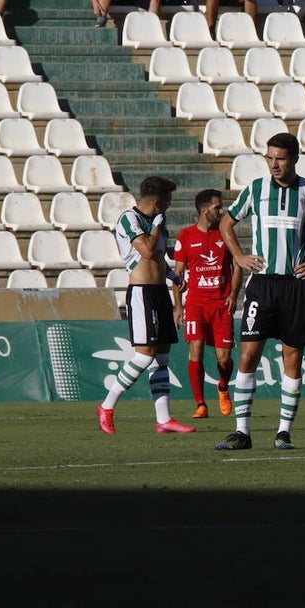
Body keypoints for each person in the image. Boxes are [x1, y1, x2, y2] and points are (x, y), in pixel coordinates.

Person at [216, 132, 305, 451]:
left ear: (294, 159)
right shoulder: (256, 189)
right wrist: (240, 257)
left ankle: (284, 431)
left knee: (292, 358)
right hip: (262, 284)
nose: (274, 164)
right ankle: (242, 432)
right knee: (248, 356)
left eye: (280, 158)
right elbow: (226, 224)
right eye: (270, 157)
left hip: (295, 285)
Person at [97, 177, 195, 436]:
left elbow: (159, 257)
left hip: (159, 291)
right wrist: (156, 227)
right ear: (157, 201)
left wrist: (173, 276)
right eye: (167, 202)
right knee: (144, 354)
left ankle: (164, 419)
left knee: (161, 357)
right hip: (141, 293)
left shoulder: (158, 223)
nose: (169, 206)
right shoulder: (129, 219)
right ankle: (107, 406)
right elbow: (147, 251)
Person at [174, 188, 241, 420]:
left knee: (224, 359)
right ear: (204, 210)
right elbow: (178, 274)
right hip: (196, 305)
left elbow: (238, 266)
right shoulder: (186, 236)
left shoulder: (226, 233)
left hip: (222, 305)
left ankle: (223, 386)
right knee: (196, 351)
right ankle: (201, 404)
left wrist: (233, 294)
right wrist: (179, 307)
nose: (221, 211)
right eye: (217, 207)